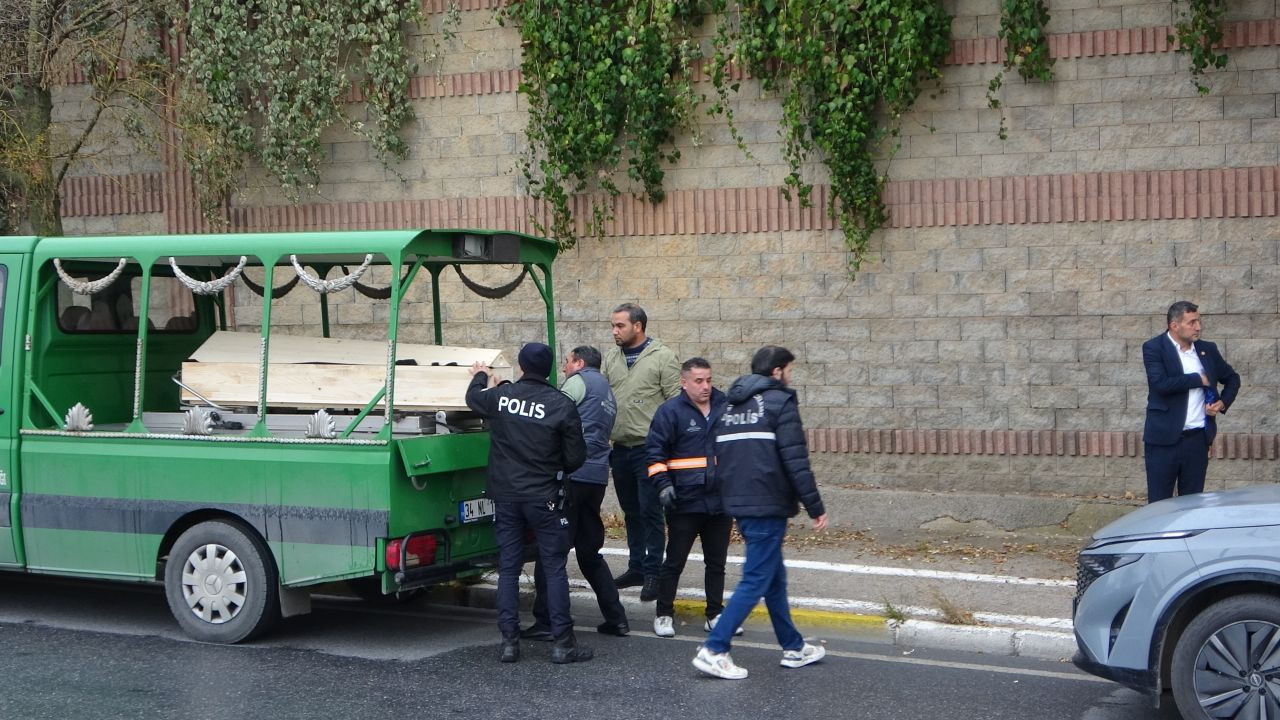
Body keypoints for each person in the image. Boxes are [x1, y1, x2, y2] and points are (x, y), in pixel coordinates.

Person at [692, 346, 827, 680]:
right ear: (777, 372)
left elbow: (716, 456)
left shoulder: (729, 407)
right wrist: (815, 507)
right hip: (767, 504)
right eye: (789, 370)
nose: (790, 376)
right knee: (756, 578)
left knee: (773, 576)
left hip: (741, 503)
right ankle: (715, 648)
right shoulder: (781, 404)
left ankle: (793, 647)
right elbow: (795, 461)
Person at [465, 342, 591, 664]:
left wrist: (480, 375)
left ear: (520, 366)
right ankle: (563, 644)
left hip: (506, 498)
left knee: (508, 568)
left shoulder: (501, 398)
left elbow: (473, 399)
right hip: (545, 499)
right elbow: (576, 458)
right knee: (554, 568)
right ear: (550, 369)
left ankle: (509, 643)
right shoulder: (560, 405)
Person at [522, 346, 631, 640]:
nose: (566, 368)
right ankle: (616, 618)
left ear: (579, 363)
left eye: (568, 362)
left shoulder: (579, 382)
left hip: (572, 475)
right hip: (596, 478)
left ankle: (546, 621)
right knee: (589, 552)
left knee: (551, 549)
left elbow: (552, 413)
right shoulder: (607, 390)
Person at [645, 357, 738, 639]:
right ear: (684, 383)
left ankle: (714, 613)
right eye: (699, 381)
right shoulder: (670, 412)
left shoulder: (725, 408)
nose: (706, 386)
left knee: (717, 562)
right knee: (674, 561)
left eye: (709, 380)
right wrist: (662, 485)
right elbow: (654, 454)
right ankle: (663, 613)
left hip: (719, 501)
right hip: (684, 501)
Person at [603, 303, 681, 602]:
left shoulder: (662, 357)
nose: (614, 331)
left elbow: (675, 404)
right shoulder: (611, 358)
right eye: (613, 325)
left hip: (651, 449)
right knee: (631, 511)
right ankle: (636, 566)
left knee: (651, 512)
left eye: (620, 325)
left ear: (638, 326)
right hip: (620, 448)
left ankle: (653, 572)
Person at [1141, 301, 1240, 503]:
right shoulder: (1154, 348)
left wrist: (1222, 403)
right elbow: (1160, 384)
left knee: (1192, 503)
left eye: (1198, 321)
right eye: (1192, 322)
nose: (1198, 327)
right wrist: (1198, 379)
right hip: (1163, 440)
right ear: (1174, 325)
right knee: (1159, 504)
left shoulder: (1207, 350)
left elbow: (1232, 378)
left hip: (1197, 439)